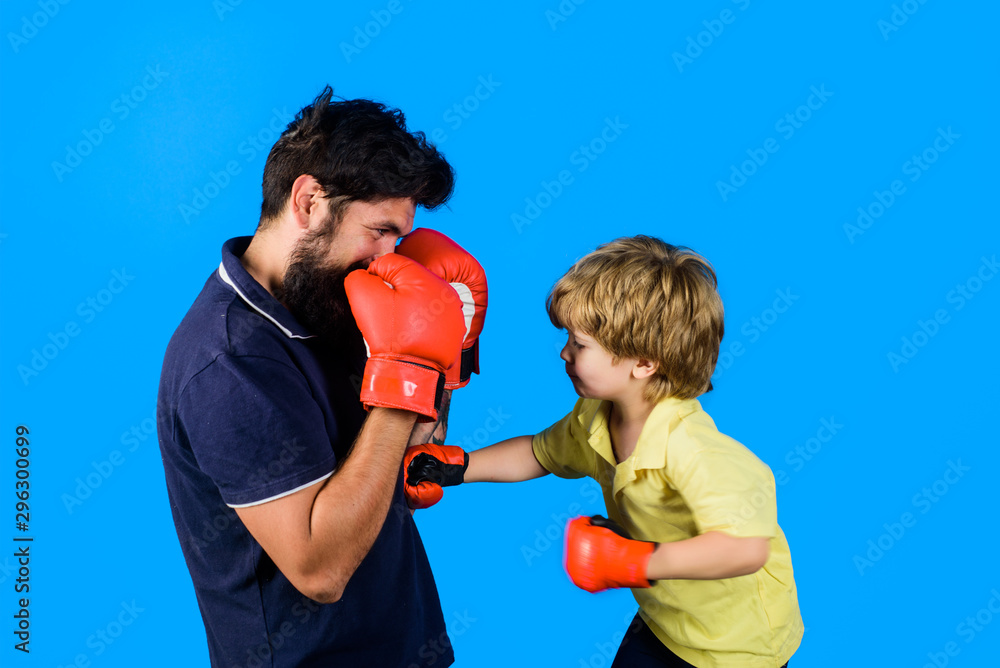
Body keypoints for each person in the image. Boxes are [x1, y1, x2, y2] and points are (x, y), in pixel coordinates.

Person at [156, 85, 488, 667]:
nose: (389, 256)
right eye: (378, 230)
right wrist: (407, 373)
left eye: (399, 237)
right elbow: (321, 570)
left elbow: (413, 455)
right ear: (309, 202)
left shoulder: (332, 300)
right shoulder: (229, 362)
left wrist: (447, 353)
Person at [404, 236, 803, 667]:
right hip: (664, 621)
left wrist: (634, 561)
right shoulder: (595, 417)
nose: (564, 352)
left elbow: (746, 550)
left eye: (580, 344)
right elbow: (539, 453)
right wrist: (459, 467)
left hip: (737, 649)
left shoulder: (693, 449)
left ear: (644, 362)